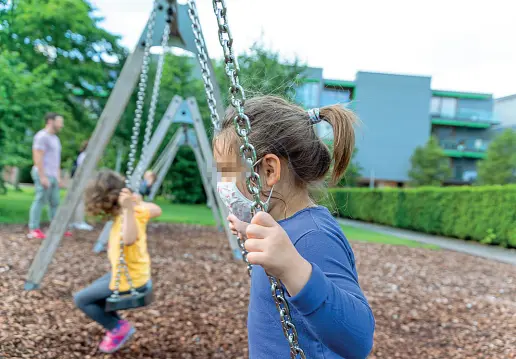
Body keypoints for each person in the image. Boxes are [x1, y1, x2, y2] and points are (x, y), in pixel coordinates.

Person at [214, 96, 375, 359]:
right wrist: (248, 230)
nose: (223, 183)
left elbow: (359, 339)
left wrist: (293, 267)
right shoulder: (286, 227)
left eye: (226, 171)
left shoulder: (313, 237)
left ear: (268, 171)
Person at [74, 169, 162, 354]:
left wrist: (130, 208)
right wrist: (138, 203)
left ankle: (117, 328)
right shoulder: (134, 211)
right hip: (132, 273)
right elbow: (156, 209)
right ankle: (118, 325)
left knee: (82, 299)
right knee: (94, 294)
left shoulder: (129, 215)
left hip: (132, 280)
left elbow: (129, 238)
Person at [28, 112, 72, 239]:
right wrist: (42, 176)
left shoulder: (55, 139)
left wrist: (58, 177)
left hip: (52, 175)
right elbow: (37, 156)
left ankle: (56, 228)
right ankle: (34, 229)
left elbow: (56, 160)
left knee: (55, 202)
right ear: (50, 121)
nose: (61, 125)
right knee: (40, 200)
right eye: (60, 122)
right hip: (43, 174)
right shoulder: (42, 136)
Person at [70, 140, 94, 231]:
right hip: (81, 181)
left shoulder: (82, 155)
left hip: (79, 180)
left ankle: (73, 221)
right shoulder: (85, 156)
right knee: (81, 201)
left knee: (77, 201)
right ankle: (79, 222)